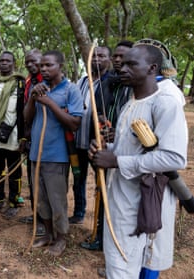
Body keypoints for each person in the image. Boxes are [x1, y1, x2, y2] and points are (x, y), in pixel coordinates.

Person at [88, 44, 187, 279]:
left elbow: (174, 157)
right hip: (121, 199)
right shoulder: (132, 102)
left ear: (152, 68)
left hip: (140, 202)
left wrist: (117, 161)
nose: (122, 68)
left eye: (132, 64)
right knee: (120, 265)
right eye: (122, 63)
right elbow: (127, 149)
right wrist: (104, 149)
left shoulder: (165, 101)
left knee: (123, 268)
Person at [24, 50, 83, 257]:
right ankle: (48, 234)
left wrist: (50, 103)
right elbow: (27, 118)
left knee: (57, 200)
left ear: (60, 66)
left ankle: (61, 238)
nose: (44, 69)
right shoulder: (37, 87)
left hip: (57, 156)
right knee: (40, 199)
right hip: (36, 154)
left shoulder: (71, 90)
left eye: (49, 65)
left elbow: (75, 123)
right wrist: (33, 98)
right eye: (42, 66)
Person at [81, 40, 134, 252]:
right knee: (104, 190)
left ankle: (119, 239)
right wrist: (102, 123)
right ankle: (102, 235)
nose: (119, 61)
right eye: (116, 57)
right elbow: (98, 110)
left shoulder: (137, 86)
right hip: (105, 147)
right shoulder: (108, 82)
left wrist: (121, 131)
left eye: (125, 57)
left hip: (129, 154)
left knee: (124, 197)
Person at [70, 46, 112, 225]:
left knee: (101, 181)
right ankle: (79, 212)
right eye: (94, 55)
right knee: (78, 178)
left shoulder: (110, 82)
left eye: (101, 56)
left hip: (97, 143)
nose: (96, 59)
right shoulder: (82, 81)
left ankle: (101, 221)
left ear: (108, 60)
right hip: (77, 141)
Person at [0, 51, 26, 220]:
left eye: (7, 61)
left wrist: (23, 137)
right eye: (1, 61)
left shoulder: (20, 83)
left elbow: (23, 112)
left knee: (15, 171)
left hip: (14, 136)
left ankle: (14, 202)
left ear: (13, 64)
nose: (4, 64)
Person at [20, 49, 45, 234]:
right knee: (32, 178)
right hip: (31, 136)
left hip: (46, 136)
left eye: (33, 61)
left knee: (44, 181)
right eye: (27, 62)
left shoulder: (47, 80)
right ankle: (36, 214)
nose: (30, 65)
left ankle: (45, 220)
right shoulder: (28, 81)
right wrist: (25, 136)